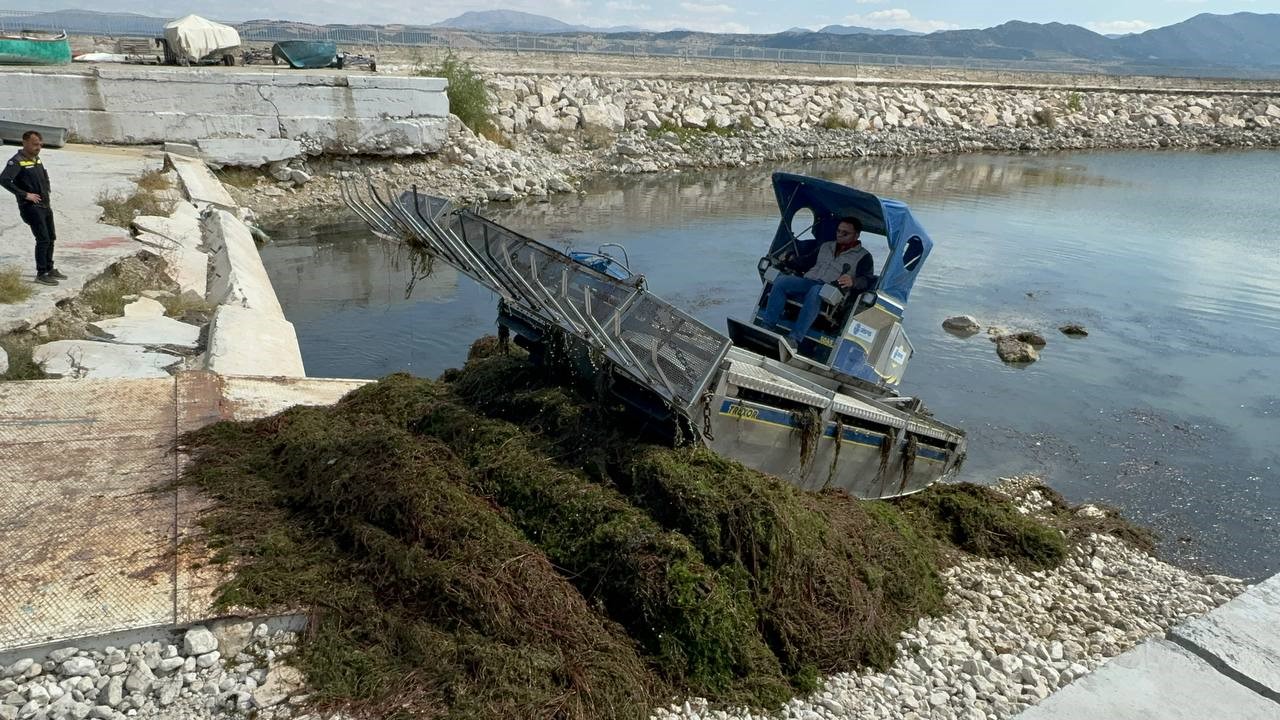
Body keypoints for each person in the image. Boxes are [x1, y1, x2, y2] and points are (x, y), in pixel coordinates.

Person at [760, 216, 874, 348]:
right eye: (838, 231)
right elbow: (806, 262)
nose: (840, 235)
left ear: (856, 235)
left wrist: (853, 281)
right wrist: (789, 258)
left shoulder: (864, 256)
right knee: (781, 281)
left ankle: (794, 339)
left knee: (816, 291)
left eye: (845, 233)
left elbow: (867, 280)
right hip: (809, 281)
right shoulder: (826, 246)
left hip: (832, 291)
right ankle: (767, 327)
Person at [1, 130, 63, 286]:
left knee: (51, 237)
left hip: (44, 204)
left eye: (40, 144)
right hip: (31, 207)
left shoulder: (36, 159)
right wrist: (24, 195)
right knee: (42, 239)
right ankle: (41, 273)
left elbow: (43, 175)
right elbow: (4, 180)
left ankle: (50, 268)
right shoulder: (16, 161)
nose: (39, 147)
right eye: (35, 144)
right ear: (25, 143)